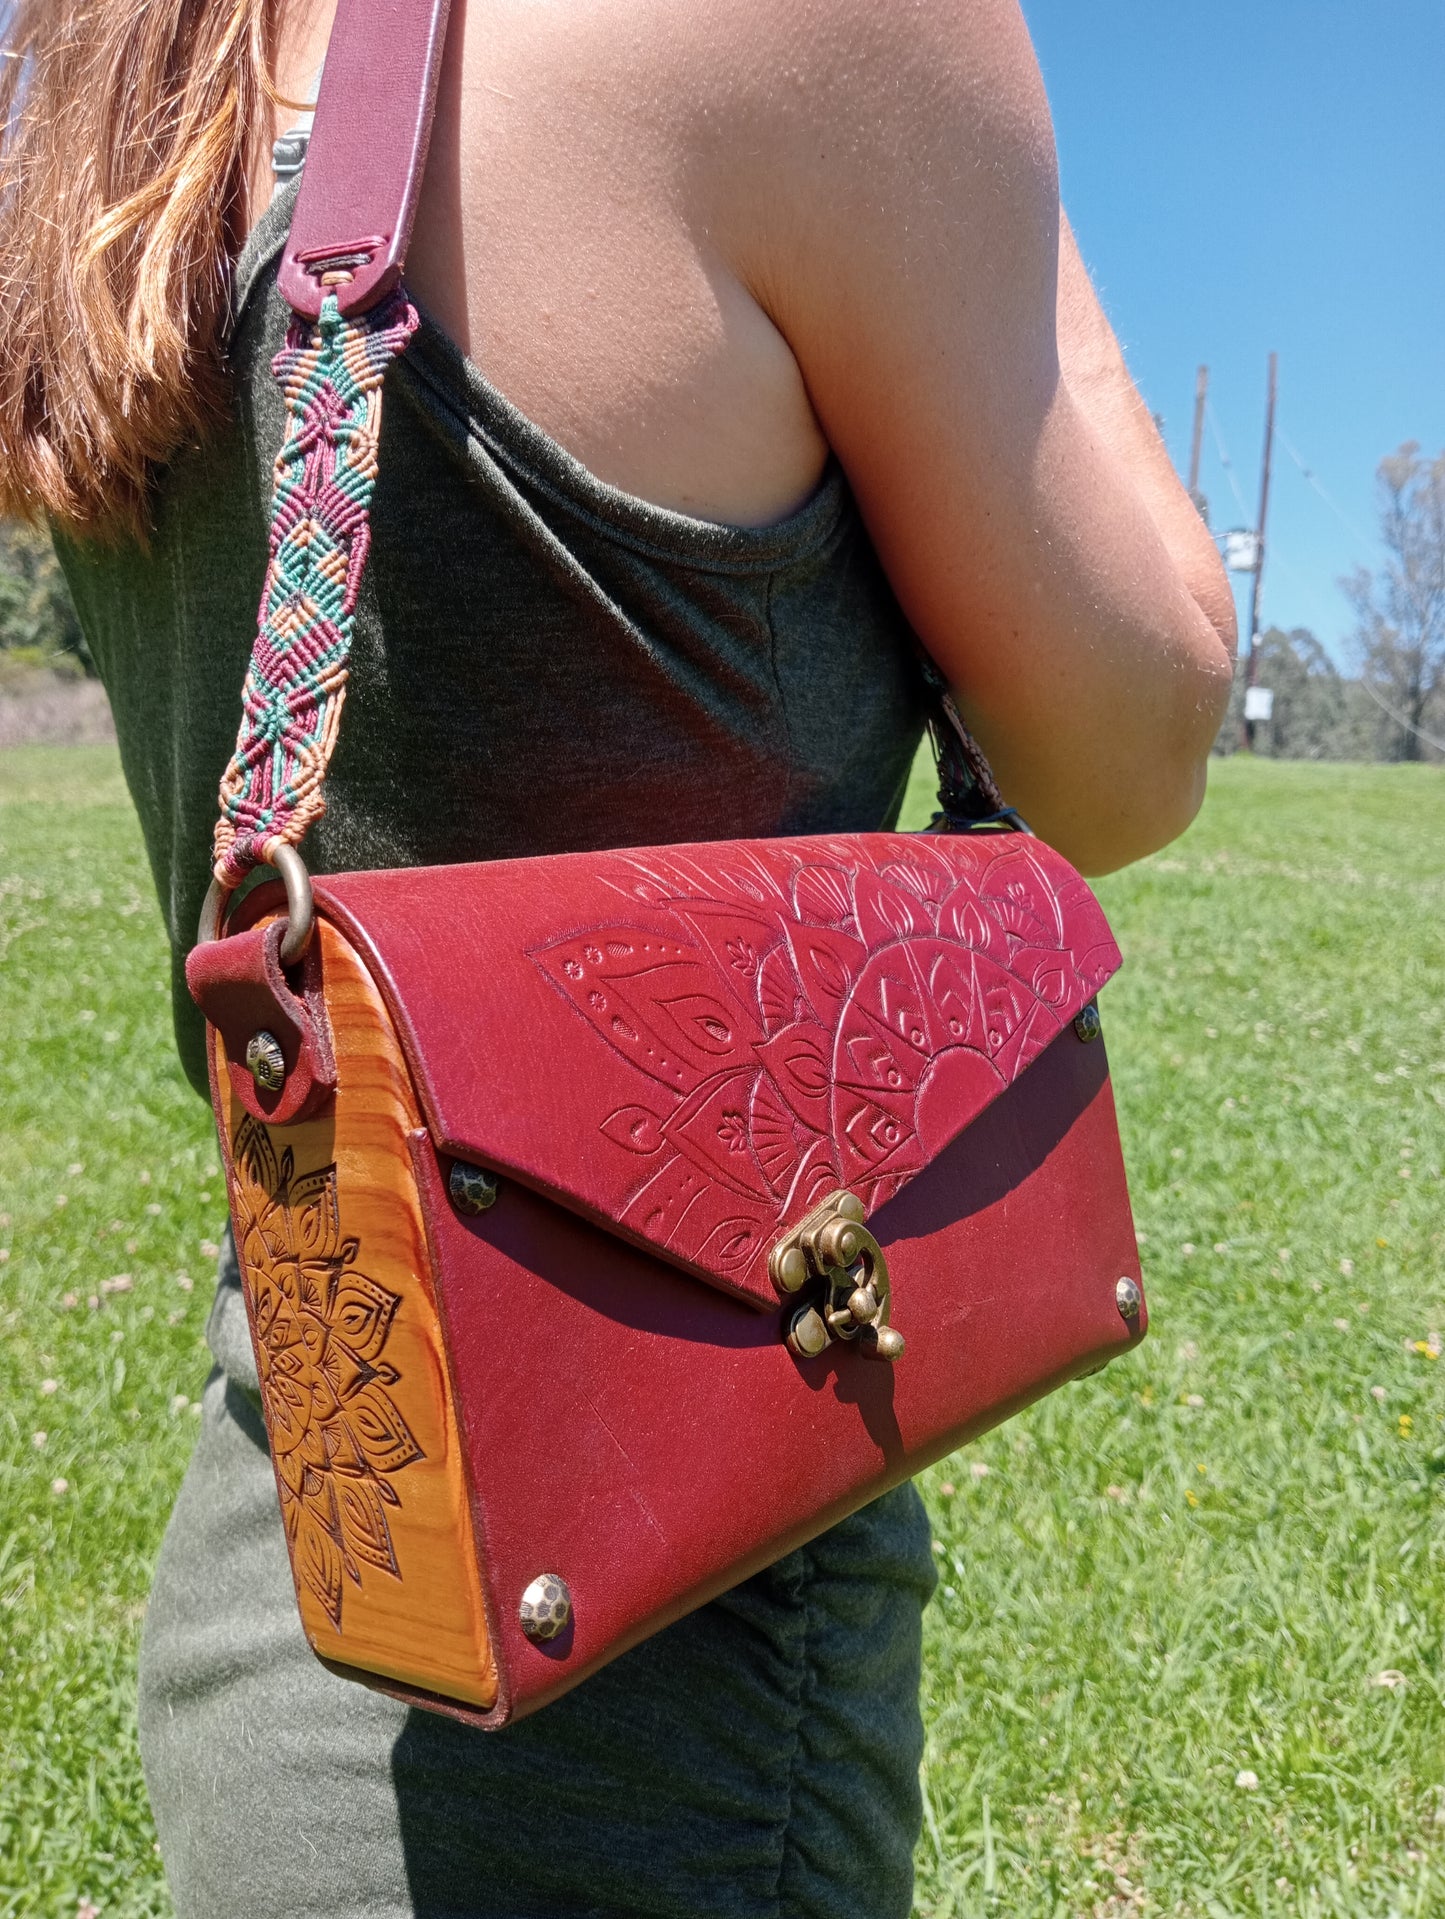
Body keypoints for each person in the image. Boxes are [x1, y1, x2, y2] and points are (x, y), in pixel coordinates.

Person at [0, 1, 1235, 1913]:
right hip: (655, 1689)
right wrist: (1032, 253)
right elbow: (1134, 753)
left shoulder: (132, 72)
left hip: (294, 1544)